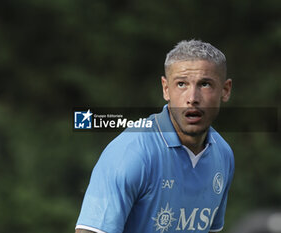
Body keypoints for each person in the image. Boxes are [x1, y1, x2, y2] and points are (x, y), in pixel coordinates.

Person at [75, 39, 234, 233]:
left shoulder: (223, 154)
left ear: (225, 90)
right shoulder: (131, 152)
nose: (192, 97)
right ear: (166, 89)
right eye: (181, 84)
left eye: (205, 84)